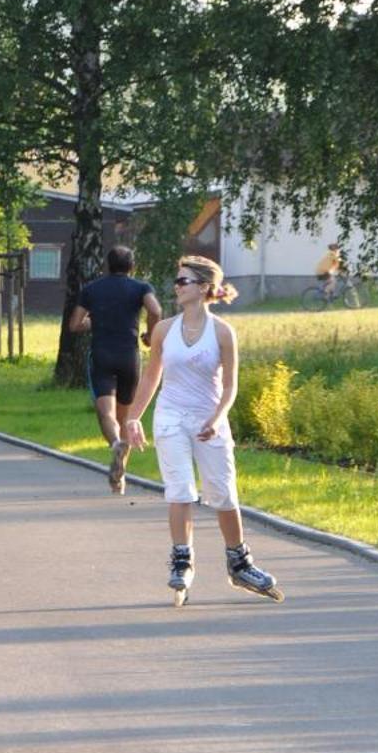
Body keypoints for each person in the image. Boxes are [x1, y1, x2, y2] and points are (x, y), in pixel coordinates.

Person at [123, 255, 283, 605]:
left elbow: (230, 387)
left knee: (223, 492)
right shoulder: (164, 329)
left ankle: (239, 563)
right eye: (177, 281)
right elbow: (152, 377)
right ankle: (182, 559)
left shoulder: (223, 333)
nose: (176, 287)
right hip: (171, 417)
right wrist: (133, 417)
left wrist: (216, 417)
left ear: (204, 288)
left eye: (183, 281)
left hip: (209, 420)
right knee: (179, 490)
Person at [68, 245, 161, 495]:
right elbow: (155, 310)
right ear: (132, 266)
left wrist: (95, 321)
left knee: (106, 414)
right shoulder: (141, 288)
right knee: (126, 418)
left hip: (102, 355)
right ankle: (120, 478)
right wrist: (151, 335)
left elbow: (75, 324)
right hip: (129, 356)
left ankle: (116, 445)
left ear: (107, 265)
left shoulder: (92, 290)